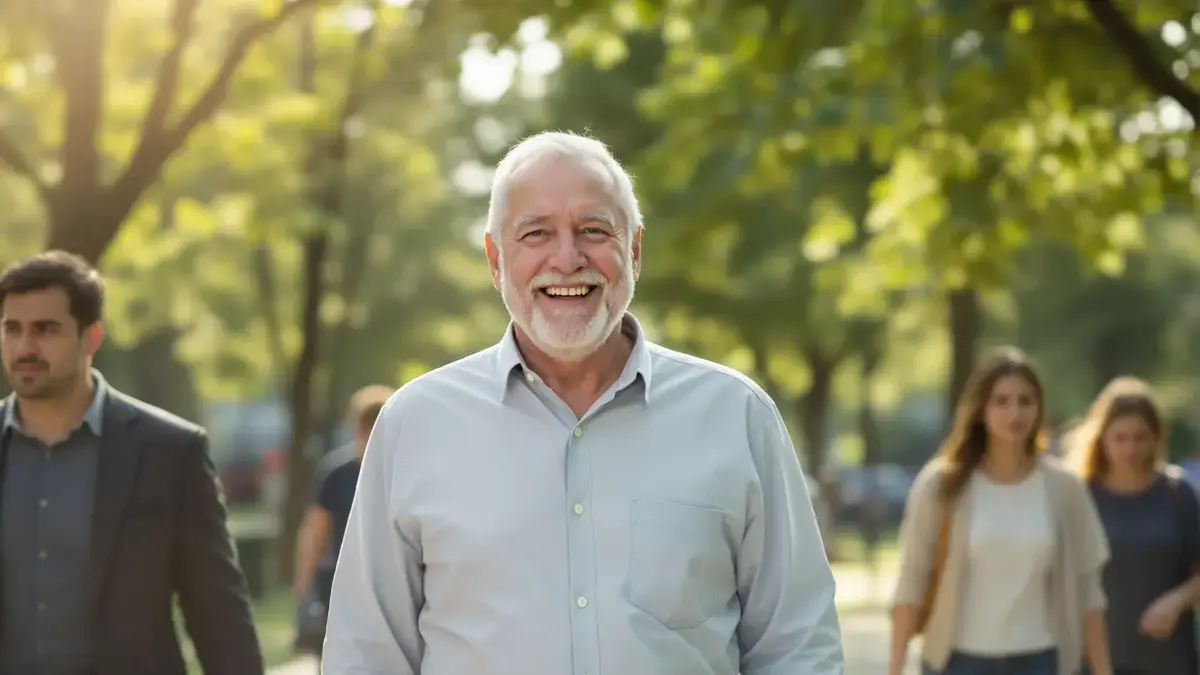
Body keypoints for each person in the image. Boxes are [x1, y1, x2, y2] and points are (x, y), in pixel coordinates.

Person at [321, 131, 843, 674]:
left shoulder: (737, 418)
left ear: (634, 251)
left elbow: (798, 647)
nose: (567, 259)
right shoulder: (414, 426)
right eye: (536, 233)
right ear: (495, 258)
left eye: (593, 230)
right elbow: (365, 655)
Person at [0, 251, 263, 675]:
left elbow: (218, 613)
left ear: (92, 337)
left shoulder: (171, 452)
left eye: (46, 329)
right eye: (12, 329)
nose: (25, 347)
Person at [889, 347, 1112, 675]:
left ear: (1039, 408)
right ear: (980, 409)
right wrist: (893, 669)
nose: (1015, 413)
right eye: (1001, 401)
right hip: (958, 662)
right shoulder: (942, 485)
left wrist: (1103, 670)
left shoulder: (1065, 488)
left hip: (1041, 660)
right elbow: (911, 582)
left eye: (1026, 401)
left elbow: (1088, 595)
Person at [1065, 377, 1200, 675]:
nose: (1131, 448)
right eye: (1120, 438)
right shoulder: (1081, 497)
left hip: (1169, 662)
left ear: (1157, 438)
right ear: (1101, 438)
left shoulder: (1178, 494)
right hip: (1094, 662)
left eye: (1141, 437)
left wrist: (1177, 601)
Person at [291, 384, 392, 654]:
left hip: (373, 586)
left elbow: (313, 533)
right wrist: (304, 587)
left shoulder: (401, 470)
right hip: (348, 587)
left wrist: (304, 586)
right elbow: (314, 532)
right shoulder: (337, 475)